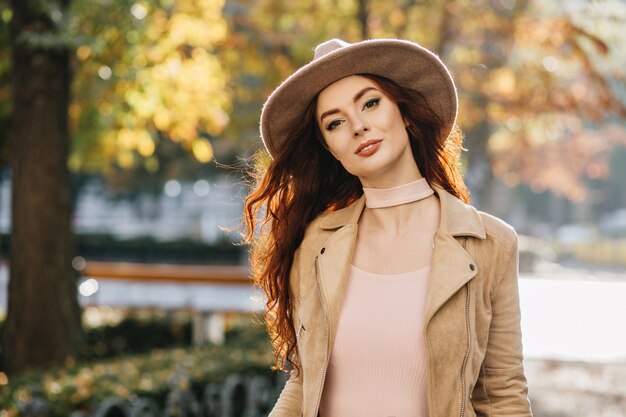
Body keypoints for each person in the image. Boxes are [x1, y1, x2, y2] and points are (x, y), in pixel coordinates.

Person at [243, 38, 532, 417]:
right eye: (335, 123)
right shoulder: (316, 244)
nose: (359, 126)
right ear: (330, 148)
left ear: (405, 112)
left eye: (370, 103)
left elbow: (502, 395)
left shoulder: (491, 244)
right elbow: (303, 383)